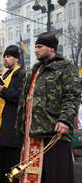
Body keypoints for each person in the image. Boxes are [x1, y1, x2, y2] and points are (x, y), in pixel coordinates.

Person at [16, 32, 80, 183]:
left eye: (40, 47)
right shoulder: (34, 70)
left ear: (51, 48)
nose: (36, 50)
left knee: (55, 175)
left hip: (53, 132)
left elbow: (72, 95)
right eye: (35, 47)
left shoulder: (65, 67)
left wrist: (65, 120)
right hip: (31, 133)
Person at [0, 45, 26, 183]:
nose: (5, 59)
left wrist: (4, 91)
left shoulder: (21, 74)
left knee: (11, 163)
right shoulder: (7, 74)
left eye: (8, 56)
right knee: (2, 164)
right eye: (4, 57)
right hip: (1, 129)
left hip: (12, 128)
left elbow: (22, 96)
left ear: (16, 59)